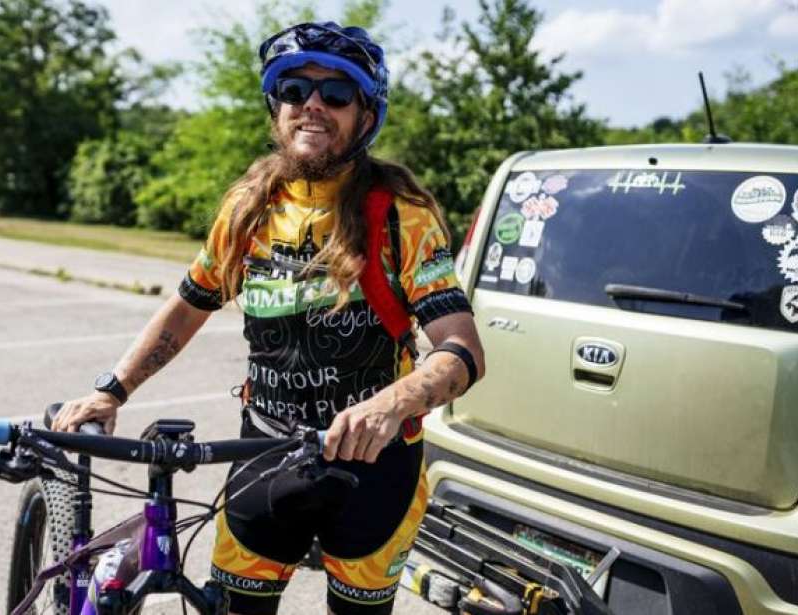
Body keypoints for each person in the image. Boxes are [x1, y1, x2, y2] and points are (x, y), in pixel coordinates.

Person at [53, 21, 484, 615]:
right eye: (292, 90)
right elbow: (188, 305)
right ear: (275, 107)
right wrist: (113, 388)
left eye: (336, 93)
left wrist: (390, 405)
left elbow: (461, 350)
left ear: (365, 114)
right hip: (264, 453)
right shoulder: (248, 207)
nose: (311, 105)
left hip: (374, 469)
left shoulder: (399, 216)